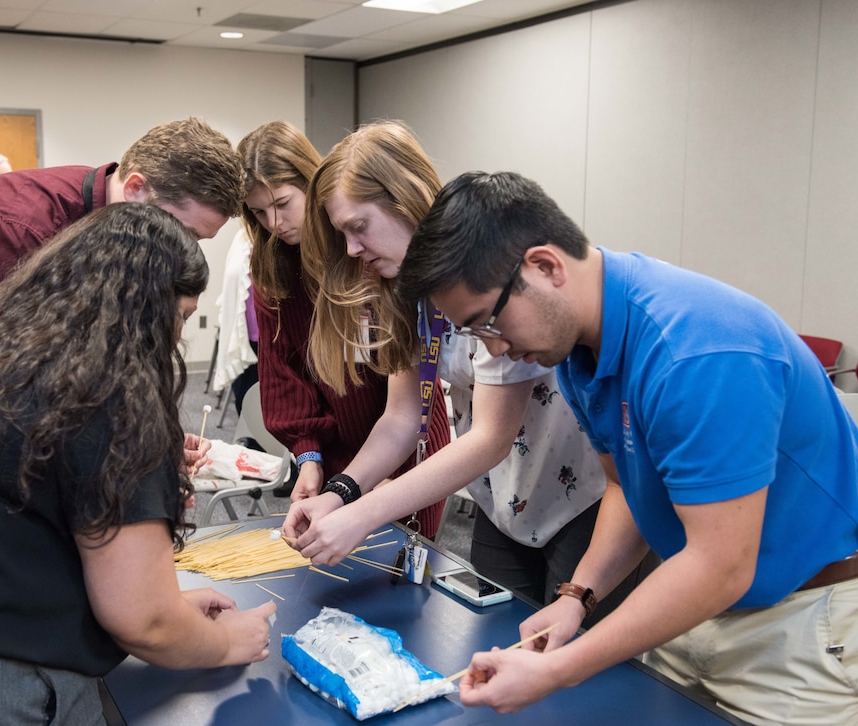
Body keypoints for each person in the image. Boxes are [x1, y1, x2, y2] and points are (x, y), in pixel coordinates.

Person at [395, 171, 858, 725]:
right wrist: (577, 597)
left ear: (545, 267)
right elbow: (626, 487)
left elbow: (721, 565)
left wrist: (560, 669)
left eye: (488, 323)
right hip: (701, 600)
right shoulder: (576, 347)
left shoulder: (695, 351)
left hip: (808, 618)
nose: (496, 349)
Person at [0, 203, 275, 724]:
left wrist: (172, 609)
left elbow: (9, 536)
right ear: (144, 311)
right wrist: (224, 642)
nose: (179, 338)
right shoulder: (114, 401)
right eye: (179, 317)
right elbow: (145, 621)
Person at [279, 122, 655, 613]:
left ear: (403, 198)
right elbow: (400, 418)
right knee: (493, 633)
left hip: (579, 493)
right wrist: (341, 492)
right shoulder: (407, 290)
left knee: (571, 653)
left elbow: (489, 436)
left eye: (359, 226)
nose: (352, 249)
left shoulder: (485, 273)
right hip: (501, 497)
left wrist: (364, 515)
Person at [0, 117, 244, 378]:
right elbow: (3, 372)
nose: (183, 250)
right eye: (185, 232)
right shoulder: (16, 223)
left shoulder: (116, 220)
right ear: (135, 188)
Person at [238, 120, 449, 538]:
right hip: (358, 448)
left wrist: (385, 491)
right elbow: (285, 375)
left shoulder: (384, 264)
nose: (274, 222)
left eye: (282, 203)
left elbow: (410, 416)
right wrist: (313, 459)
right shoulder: (281, 273)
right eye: (259, 213)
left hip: (409, 449)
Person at [212, 226, 259, 417]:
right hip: (244, 338)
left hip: (272, 339)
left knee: (266, 408)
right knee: (244, 400)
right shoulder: (242, 237)